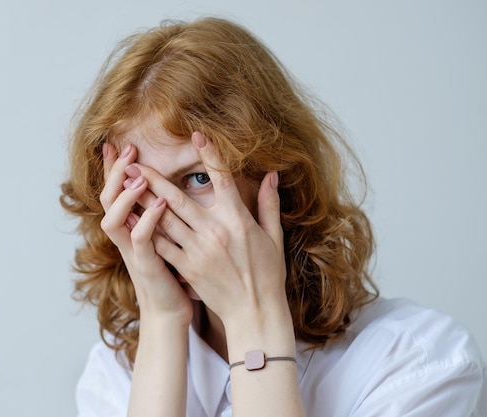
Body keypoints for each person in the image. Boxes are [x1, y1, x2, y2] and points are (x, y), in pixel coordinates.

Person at [60, 17, 486, 417]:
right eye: (141, 188)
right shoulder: (115, 377)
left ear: (276, 176)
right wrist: (162, 320)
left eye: (197, 177)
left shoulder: (417, 363)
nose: (165, 217)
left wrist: (253, 320)